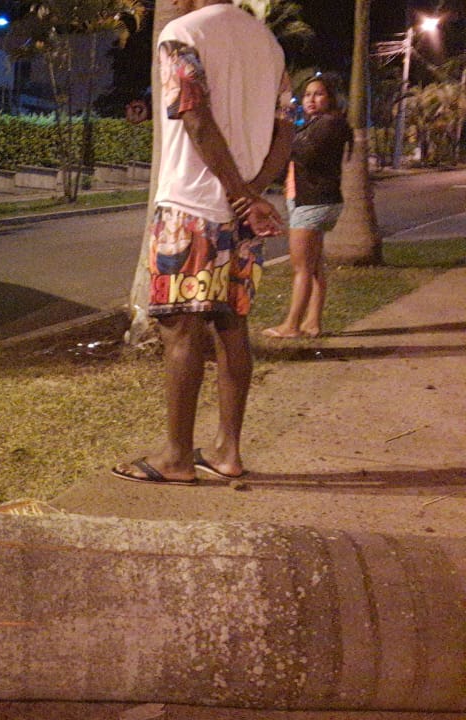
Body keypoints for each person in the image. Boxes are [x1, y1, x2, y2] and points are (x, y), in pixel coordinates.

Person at [112, 0, 294, 485]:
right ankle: (227, 452)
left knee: (182, 331)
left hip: (189, 206)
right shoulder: (269, 44)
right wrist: (252, 194)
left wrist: (237, 192)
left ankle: (175, 457)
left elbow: (194, 117)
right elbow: (285, 129)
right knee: (233, 327)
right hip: (243, 216)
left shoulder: (181, 33)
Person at [263, 74, 351, 339]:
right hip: (309, 200)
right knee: (313, 266)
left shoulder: (329, 124)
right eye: (308, 95)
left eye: (319, 94)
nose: (311, 99)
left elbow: (302, 153)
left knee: (300, 266)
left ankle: (291, 325)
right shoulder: (315, 124)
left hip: (313, 202)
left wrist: (283, 136)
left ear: (330, 98)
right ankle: (312, 322)